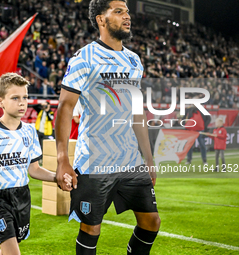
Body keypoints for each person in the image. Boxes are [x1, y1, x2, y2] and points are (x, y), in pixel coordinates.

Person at [55, 1, 160, 254]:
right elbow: (65, 107)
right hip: (95, 161)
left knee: (151, 222)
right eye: (119, 11)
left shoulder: (134, 60)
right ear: (101, 20)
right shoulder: (84, 57)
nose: (128, 16)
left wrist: (148, 157)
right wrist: (62, 160)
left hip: (130, 160)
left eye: (127, 11)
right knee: (91, 228)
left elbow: (137, 113)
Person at [0, 72, 72, 255]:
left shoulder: (30, 132)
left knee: (9, 248)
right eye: (15, 98)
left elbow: (35, 170)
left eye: (25, 97)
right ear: (0, 102)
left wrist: (57, 178)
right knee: (13, 252)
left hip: (22, 196)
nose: (22, 102)